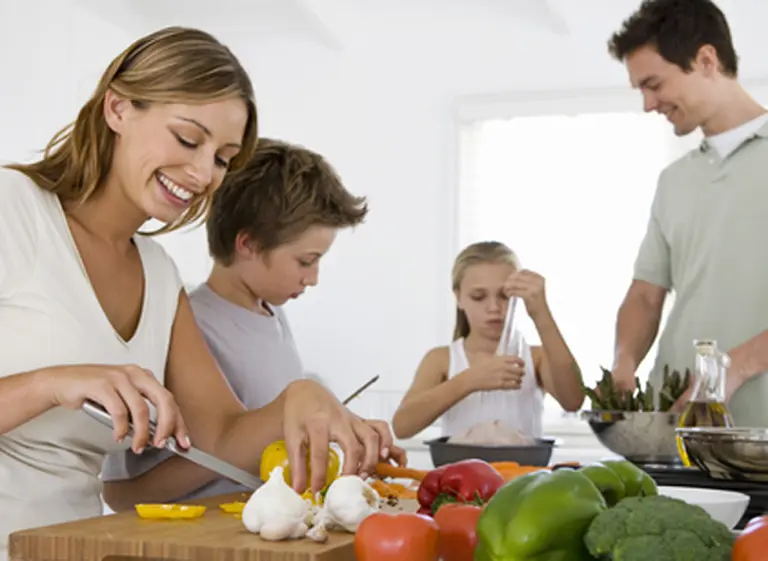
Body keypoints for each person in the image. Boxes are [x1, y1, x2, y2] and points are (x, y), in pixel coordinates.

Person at [0, 26, 396, 555]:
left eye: (223, 157)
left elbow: (221, 437)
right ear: (117, 109)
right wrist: (48, 384)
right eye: (188, 139)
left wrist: (301, 398)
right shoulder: (13, 209)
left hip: (63, 547)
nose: (203, 171)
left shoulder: (158, 274)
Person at [100, 138, 405, 509]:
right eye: (305, 261)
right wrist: (250, 443)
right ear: (248, 245)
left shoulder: (273, 316)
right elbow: (121, 491)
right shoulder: (185, 327)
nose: (313, 278)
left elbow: (274, 443)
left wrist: (335, 432)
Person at [606, 0, 768, 425]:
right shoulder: (674, 180)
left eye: (654, 84)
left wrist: (735, 368)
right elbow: (645, 292)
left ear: (706, 59)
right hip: (675, 431)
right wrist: (623, 363)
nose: (647, 104)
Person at [391, 241, 584, 440]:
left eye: (504, 296)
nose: (493, 307)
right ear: (458, 298)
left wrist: (540, 312)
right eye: (478, 296)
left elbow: (573, 401)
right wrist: (470, 380)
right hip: (458, 471)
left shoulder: (536, 358)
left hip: (527, 470)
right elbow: (402, 427)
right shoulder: (441, 359)